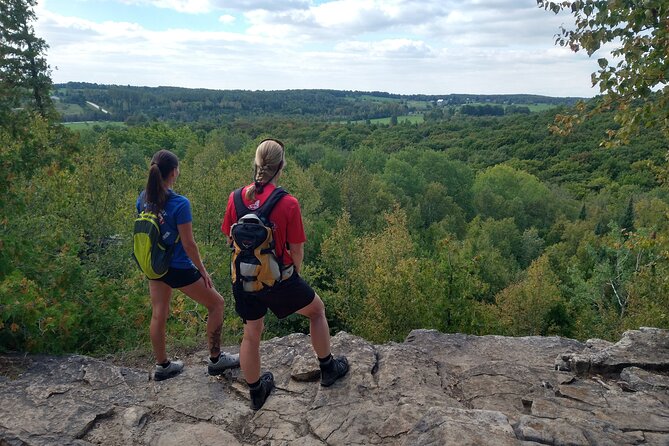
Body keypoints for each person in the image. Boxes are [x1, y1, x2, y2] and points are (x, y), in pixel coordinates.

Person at [221, 138, 349, 410]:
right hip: (279, 280)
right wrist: (293, 278)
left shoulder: (235, 198)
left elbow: (229, 239)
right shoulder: (288, 203)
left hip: (244, 279)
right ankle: (328, 369)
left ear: (256, 164)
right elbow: (297, 249)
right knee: (316, 311)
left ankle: (256, 392)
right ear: (281, 167)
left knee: (251, 332)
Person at [137, 149, 239, 381]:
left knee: (159, 312)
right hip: (179, 267)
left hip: (154, 264)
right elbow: (189, 244)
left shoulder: (143, 198)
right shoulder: (180, 203)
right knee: (217, 304)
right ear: (174, 173)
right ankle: (216, 359)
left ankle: (163, 365)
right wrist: (203, 272)